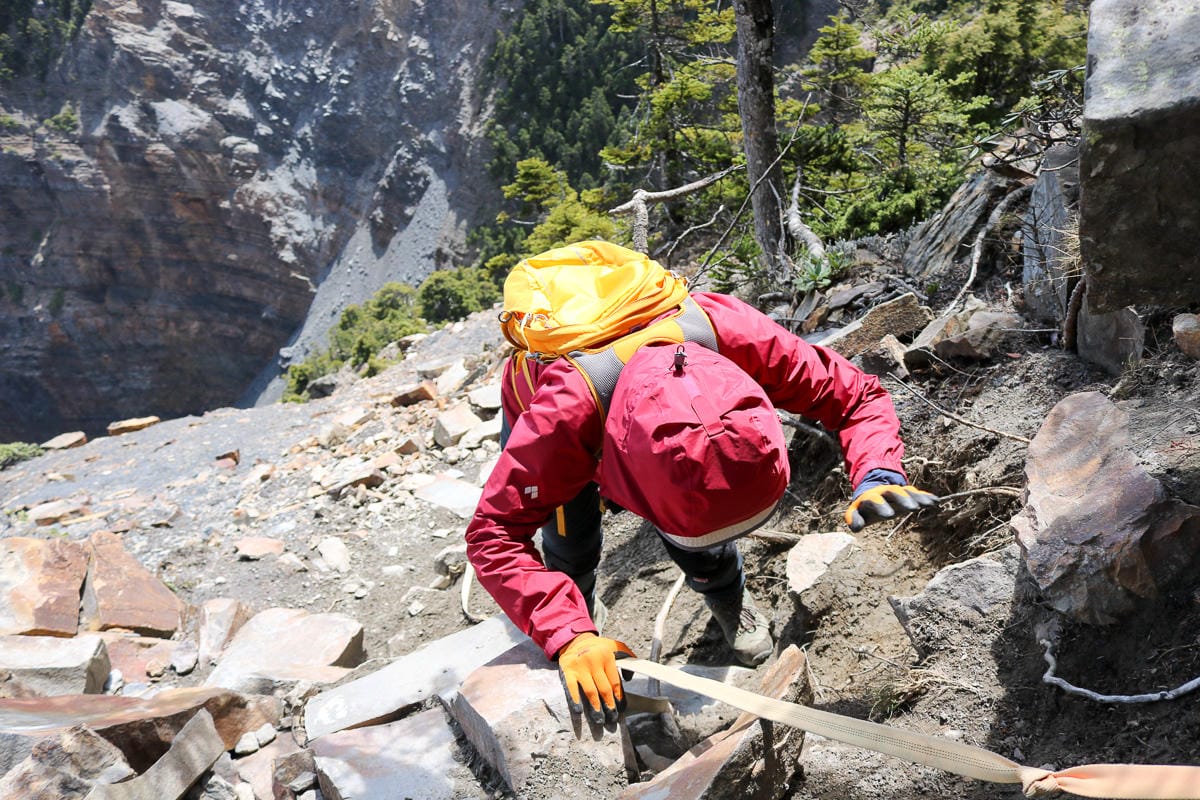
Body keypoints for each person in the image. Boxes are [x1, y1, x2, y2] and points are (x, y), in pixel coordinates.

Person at [464, 245, 938, 726]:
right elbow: (494, 533)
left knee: (699, 541)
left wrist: (876, 470)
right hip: (570, 418)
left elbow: (854, 395)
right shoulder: (558, 414)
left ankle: (728, 599)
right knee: (570, 540)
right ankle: (583, 617)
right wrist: (567, 633)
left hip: (613, 414)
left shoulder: (728, 332)